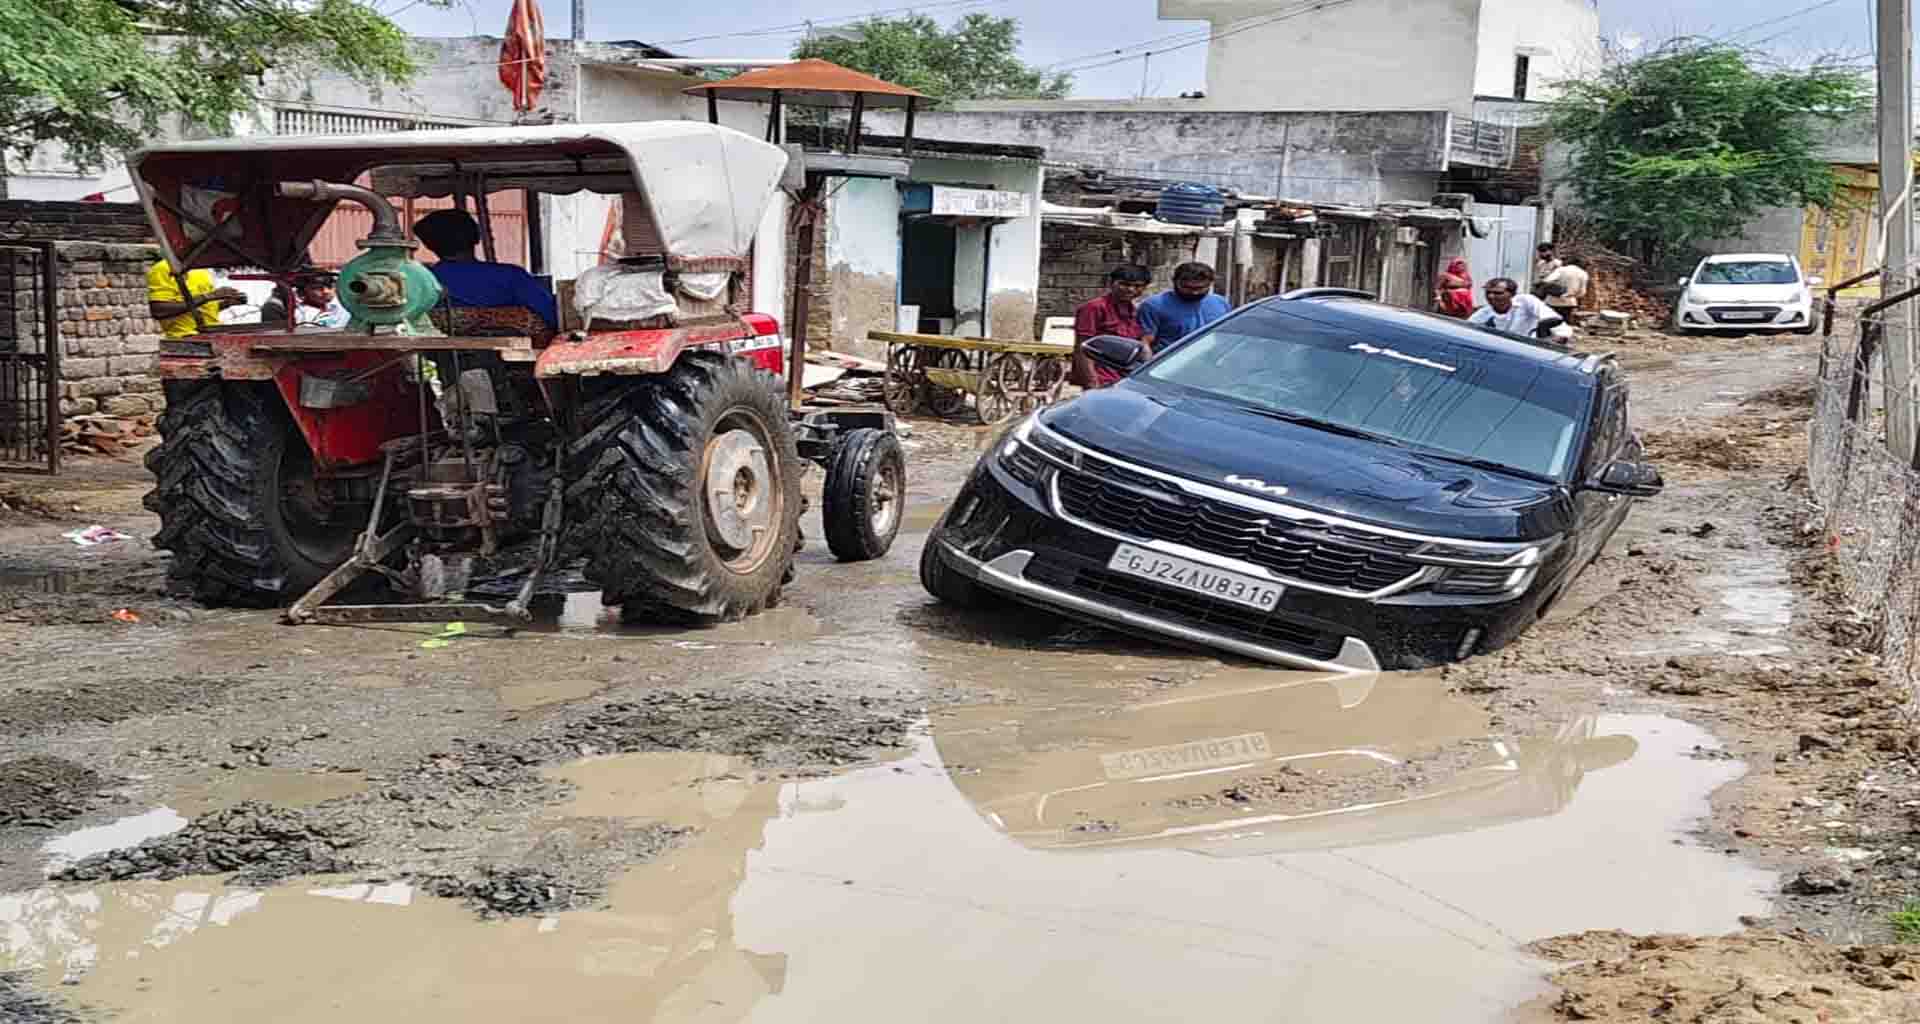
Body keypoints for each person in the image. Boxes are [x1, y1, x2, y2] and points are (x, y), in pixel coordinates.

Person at [411, 209, 559, 330]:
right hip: (514, 362)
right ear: (477, 238)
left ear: (429, 246)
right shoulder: (512, 276)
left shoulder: (422, 281)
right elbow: (553, 315)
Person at [1072, 265, 1151, 388]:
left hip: (1124, 379)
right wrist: (1092, 382)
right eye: (1124, 284)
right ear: (1111, 283)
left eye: (1137, 286)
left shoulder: (1135, 311)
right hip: (1101, 378)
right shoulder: (1094, 308)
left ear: (1144, 288)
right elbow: (1082, 348)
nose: (1130, 289)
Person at [146, 259, 247, 340]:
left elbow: (201, 308)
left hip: (212, 333)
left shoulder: (201, 269)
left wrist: (226, 303)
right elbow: (158, 310)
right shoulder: (163, 268)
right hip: (184, 339)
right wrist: (209, 296)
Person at [1138, 262, 1232, 347]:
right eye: (1187, 288)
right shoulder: (1154, 305)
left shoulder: (1220, 302)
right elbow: (1145, 342)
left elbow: (1227, 335)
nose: (1194, 293)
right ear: (1174, 282)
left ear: (1210, 284)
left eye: (1200, 288)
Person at [1469, 278, 1572, 342]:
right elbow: (1468, 329)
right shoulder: (1483, 314)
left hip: (1533, 347)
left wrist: (1561, 336)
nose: (1491, 296)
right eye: (1488, 292)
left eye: (1498, 293)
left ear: (1512, 294)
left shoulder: (1526, 301)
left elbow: (1550, 317)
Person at [260, 270, 349, 329]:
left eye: (330, 286)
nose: (326, 291)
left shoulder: (345, 306)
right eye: (318, 288)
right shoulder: (297, 312)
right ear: (304, 290)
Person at [1541, 257, 1590, 326]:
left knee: (1547, 325)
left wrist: (1556, 290)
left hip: (1552, 302)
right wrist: (1570, 295)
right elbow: (1582, 293)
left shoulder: (1561, 270)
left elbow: (1547, 281)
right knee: (1564, 326)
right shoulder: (1583, 274)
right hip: (1569, 304)